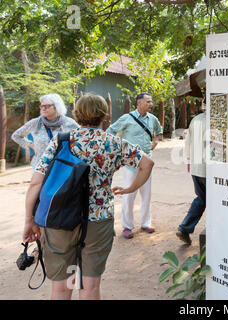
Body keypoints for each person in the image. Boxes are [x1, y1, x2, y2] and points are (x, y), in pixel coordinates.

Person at [22, 93, 154, 300]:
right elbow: (147, 164)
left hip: (60, 220)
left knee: (62, 287)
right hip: (98, 222)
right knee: (89, 287)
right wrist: (129, 189)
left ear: (77, 114)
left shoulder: (62, 140)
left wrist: (29, 220)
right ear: (104, 117)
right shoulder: (114, 143)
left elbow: (36, 183)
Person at [107, 92, 162, 239]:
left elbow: (158, 132)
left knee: (146, 195)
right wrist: (117, 150)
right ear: (139, 103)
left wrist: (155, 142)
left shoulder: (153, 119)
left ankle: (146, 223)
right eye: (148, 102)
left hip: (147, 164)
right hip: (131, 164)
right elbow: (110, 131)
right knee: (129, 195)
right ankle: (127, 226)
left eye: (151, 102)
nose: (151, 104)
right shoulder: (127, 118)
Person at [12, 93, 79, 170]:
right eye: (42, 106)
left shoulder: (69, 123)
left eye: (47, 106)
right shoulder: (35, 123)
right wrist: (31, 145)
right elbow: (16, 135)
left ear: (56, 107)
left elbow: (81, 139)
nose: (43, 108)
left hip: (63, 167)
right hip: (40, 168)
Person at [176, 108, 206, 245]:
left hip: (196, 167)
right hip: (210, 170)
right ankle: (215, 234)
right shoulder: (218, 120)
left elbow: (187, 142)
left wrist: (188, 160)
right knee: (214, 202)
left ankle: (185, 229)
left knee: (201, 199)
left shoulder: (196, 119)